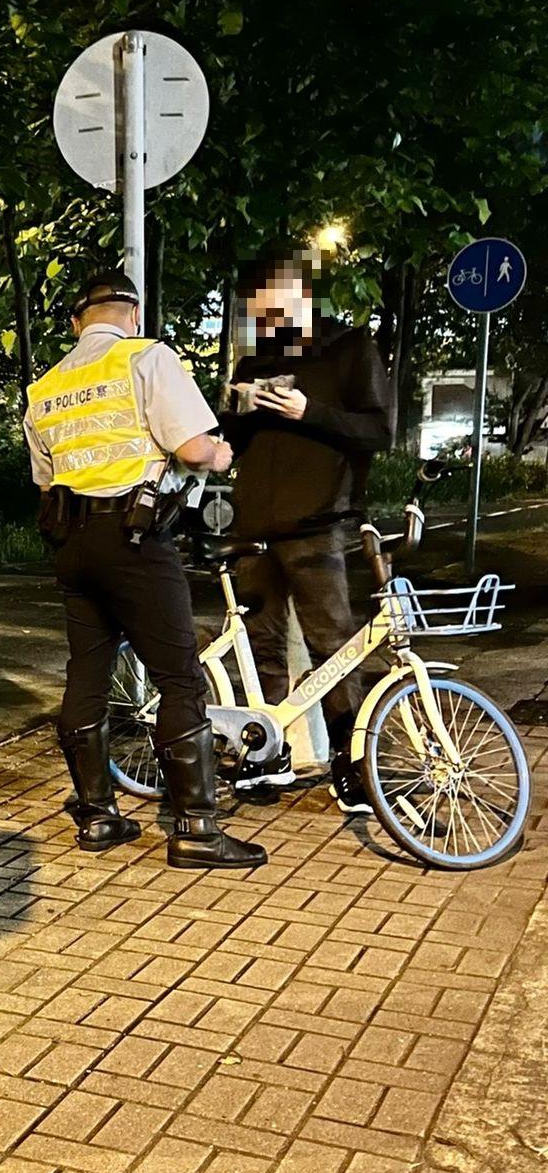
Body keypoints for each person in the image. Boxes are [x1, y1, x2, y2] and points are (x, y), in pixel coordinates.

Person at [25, 271, 266, 870]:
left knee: (87, 674)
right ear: (133, 313)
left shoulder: (45, 388)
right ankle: (197, 829)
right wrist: (221, 453)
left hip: (73, 545)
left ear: (78, 322)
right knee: (180, 679)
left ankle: (98, 815)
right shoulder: (146, 357)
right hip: (134, 541)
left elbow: (46, 482)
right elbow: (191, 448)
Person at [221, 249, 396, 812]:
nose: (262, 309)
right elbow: (233, 444)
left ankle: (353, 763)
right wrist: (235, 409)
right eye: (255, 302)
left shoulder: (350, 348)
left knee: (335, 647)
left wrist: (308, 411)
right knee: (262, 645)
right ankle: (265, 753)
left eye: (270, 296)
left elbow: (380, 430)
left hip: (320, 523)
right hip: (253, 528)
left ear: (301, 292)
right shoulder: (254, 362)